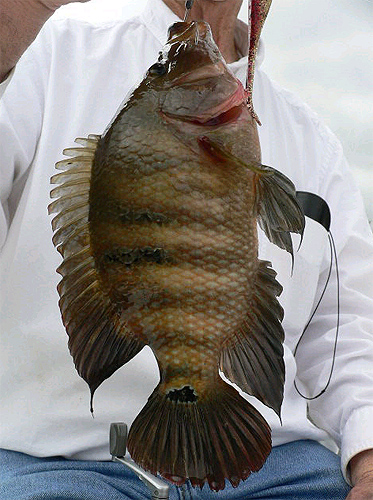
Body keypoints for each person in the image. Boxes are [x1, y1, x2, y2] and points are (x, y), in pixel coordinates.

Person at [0, 0, 372, 498]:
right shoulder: (46, 44)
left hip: (275, 464)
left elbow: (348, 334)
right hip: (56, 462)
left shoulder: (313, 137)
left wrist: (368, 458)